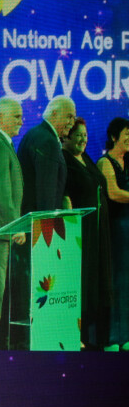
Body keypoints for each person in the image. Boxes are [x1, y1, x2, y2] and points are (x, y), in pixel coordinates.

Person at [64, 117, 112, 350]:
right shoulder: (64, 159)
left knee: (99, 283)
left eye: (85, 135)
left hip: (98, 233)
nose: (83, 139)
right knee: (81, 281)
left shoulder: (86, 158)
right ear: (67, 137)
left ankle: (99, 338)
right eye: (78, 135)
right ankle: (78, 336)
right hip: (79, 233)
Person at [0, 97, 24, 350]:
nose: (22, 121)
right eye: (16, 116)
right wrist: (15, 226)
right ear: (0, 118)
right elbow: (1, 192)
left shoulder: (2, 143)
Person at [96, 117, 129, 351]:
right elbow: (113, 193)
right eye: (127, 134)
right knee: (117, 282)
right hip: (117, 230)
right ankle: (114, 336)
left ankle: (125, 336)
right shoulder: (104, 161)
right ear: (114, 136)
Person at [18, 95, 74, 215]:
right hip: (39, 223)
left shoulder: (36, 133)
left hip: (31, 217)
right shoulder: (47, 141)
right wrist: (48, 226)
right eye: (69, 117)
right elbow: (46, 191)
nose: (72, 123)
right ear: (54, 114)